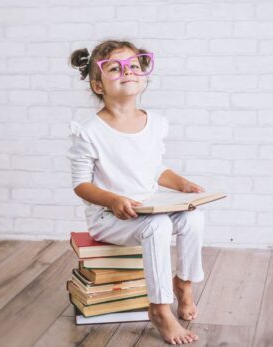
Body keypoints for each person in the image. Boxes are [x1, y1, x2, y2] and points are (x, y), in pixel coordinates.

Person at [67, 39, 205, 345]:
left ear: (143, 77)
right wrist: (114, 200)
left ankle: (184, 284)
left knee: (194, 219)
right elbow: (81, 184)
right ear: (98, 86)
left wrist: (181, 183)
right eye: (115, 68)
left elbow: (153, 169)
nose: (128, 71)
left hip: (148, 205)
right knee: (158, 226)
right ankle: (159, 308)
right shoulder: (90, 131)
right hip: (110, 216)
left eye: (133, 65)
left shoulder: (154, 123)